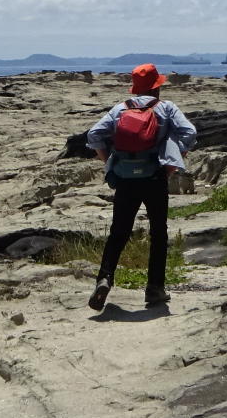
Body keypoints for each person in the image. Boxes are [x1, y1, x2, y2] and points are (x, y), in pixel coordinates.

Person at [83, 63, 196, 310]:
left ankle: (104, 278)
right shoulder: (166, 108)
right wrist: (172, 163)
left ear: (135, 88)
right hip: (155, 176)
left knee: (119, 232)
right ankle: (155, 289)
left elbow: (93, 135)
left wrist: (110, 162)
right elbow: (189, 132)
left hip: (125, 178)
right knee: (158, 233)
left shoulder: (121, 108)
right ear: (158, 86)